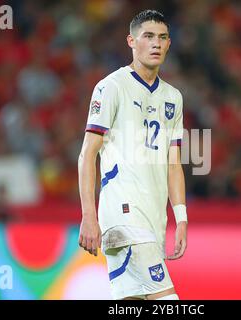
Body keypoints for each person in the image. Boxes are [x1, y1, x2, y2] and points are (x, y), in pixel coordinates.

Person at [78, 9, 187, 300]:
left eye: (162, 38)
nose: (156, 44)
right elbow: (88, 154)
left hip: (153, 221)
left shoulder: (173, 97)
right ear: (131, 41)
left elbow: (173, 163)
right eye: (148, 36)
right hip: (123, 214)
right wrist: (89, 215)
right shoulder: (110, 87)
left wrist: (182, 217)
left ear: (169, 44)